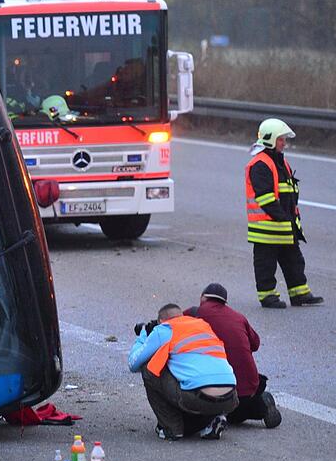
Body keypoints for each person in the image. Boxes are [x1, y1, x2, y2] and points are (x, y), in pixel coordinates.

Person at [128, 303, 239, 440]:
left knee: (149, 368)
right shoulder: (203, 325)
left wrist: (143, 336)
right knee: (193, 375)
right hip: (231, 397)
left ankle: (172, 428)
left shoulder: (164, 329)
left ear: (161, 321)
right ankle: (213, 419)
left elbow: (134, 364)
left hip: (196, 398)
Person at [246, 118, 323, 308]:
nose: (284, 143)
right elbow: (265, 198)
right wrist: (283, 217)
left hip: (284, 225)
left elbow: (288, 194)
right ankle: (268, 297)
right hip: (267, 228)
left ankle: (300, 294)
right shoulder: (260, 164)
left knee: (294, 261)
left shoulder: (281, 162)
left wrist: (291, 219)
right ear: (270, 139)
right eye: (281, 139)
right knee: (266, 265)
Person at [186, 283, 281, 428]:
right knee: (241, 407)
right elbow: (255, 344)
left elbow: (170, 328)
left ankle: (217, 414)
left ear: (203, 298)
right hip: (249, 390)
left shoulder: (194, 313)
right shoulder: (238, 317)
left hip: (219, 392)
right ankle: (261, 405)